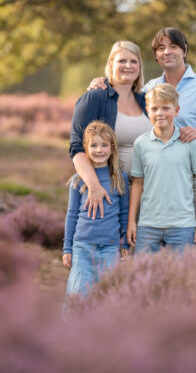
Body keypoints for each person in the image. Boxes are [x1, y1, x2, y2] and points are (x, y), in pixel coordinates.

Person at [90, 28, 196, 257]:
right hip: (156, 184)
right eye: (161, 48)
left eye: (173, 46)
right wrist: (102, 82)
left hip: (195, 183)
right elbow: (123, 91)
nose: (167, 52)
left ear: (185, 51)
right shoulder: (148, 89)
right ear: (155, 56)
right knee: (151, 260)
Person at [69, 40, 152, 219]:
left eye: (133, 61)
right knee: (113, 245)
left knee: (145, 247)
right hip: (111, 190)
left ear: (140, 67)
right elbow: (77, 148)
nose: (128, 66)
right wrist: (94, 186)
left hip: (148, 192)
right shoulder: (94, 98)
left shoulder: (146, 101)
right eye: (122, 61)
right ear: (110, 65)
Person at [128, 84, 196, 254]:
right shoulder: (141, 144)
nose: (159, 113)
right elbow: (137, 184)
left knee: (182, 278)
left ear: (176, 110)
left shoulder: (190, 143)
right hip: (147, 226)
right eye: (154, 108)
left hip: (182, 226)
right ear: (147, 111)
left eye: (166, 108)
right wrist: (131, 222)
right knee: (144, 276)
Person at [63, 121, 130, 297]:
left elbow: (124, 213)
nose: (99, 150)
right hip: (83, 246)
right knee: (79, 294)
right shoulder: (79, 180)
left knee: (107, 294)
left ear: (112, 148)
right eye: (94, 145)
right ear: (85, 148)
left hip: (110, 246)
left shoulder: (119, 178)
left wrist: (124, 243)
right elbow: (71, 215)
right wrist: (67, 248)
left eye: (104, 145)